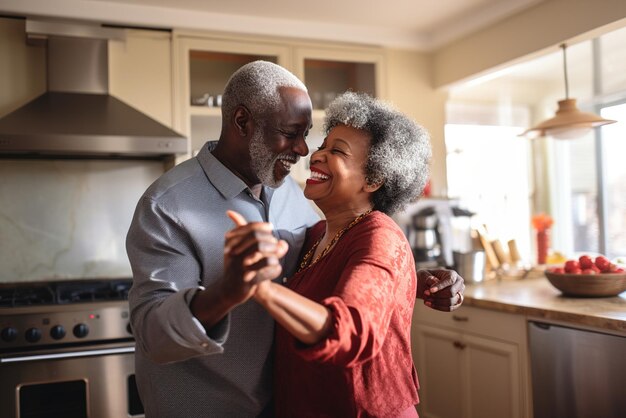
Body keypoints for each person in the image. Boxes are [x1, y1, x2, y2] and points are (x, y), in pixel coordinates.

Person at [127, 61, 463, 417]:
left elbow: (352, 279)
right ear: (243, 122)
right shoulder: (167, 206)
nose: (305, 151)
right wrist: (228, 291)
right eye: (291, 132)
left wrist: (404, 278)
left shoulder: (292, 193)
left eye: (311, 136)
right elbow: (154, 337)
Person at [226, 91, 464, 417]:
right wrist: (412, 280)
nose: (317, 155)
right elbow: (363, 280)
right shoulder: (317, 234)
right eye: (323, 145)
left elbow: (350, 331)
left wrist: (263, 290)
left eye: (337, 151)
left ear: (374, 179)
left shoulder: (379, 236)